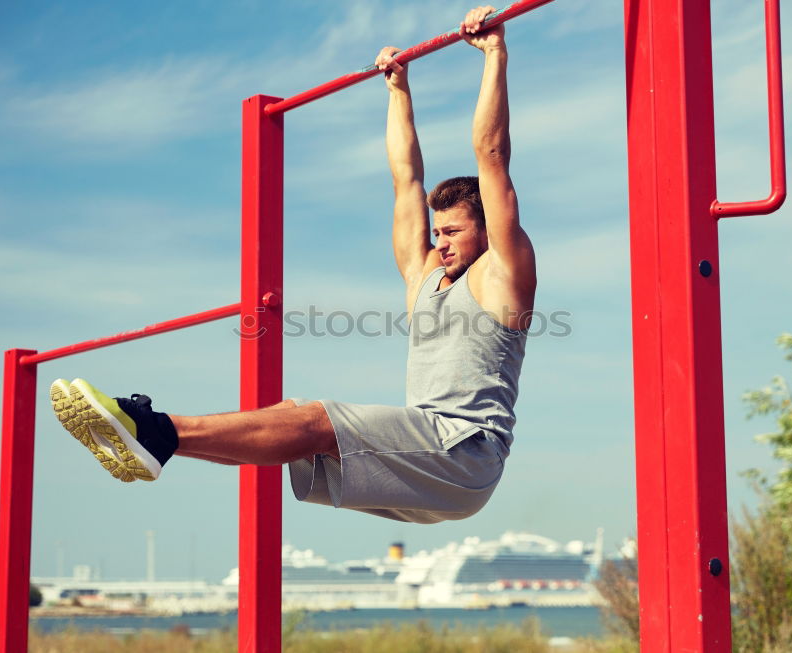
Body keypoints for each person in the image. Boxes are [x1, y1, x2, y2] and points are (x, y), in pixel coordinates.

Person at [49, 5, 536, 524]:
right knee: (290, 418)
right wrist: (397, 91)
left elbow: (492, 155)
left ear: (486, 231)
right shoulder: (424, 279)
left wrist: (494, 54)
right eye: (436, 232)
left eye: (453, 232)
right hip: (424, 454)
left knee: (315, 420)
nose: (439, 243)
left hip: (464, 454)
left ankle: (156, 429)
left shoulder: (502, 275)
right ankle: (156, 446)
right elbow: (405, 180)